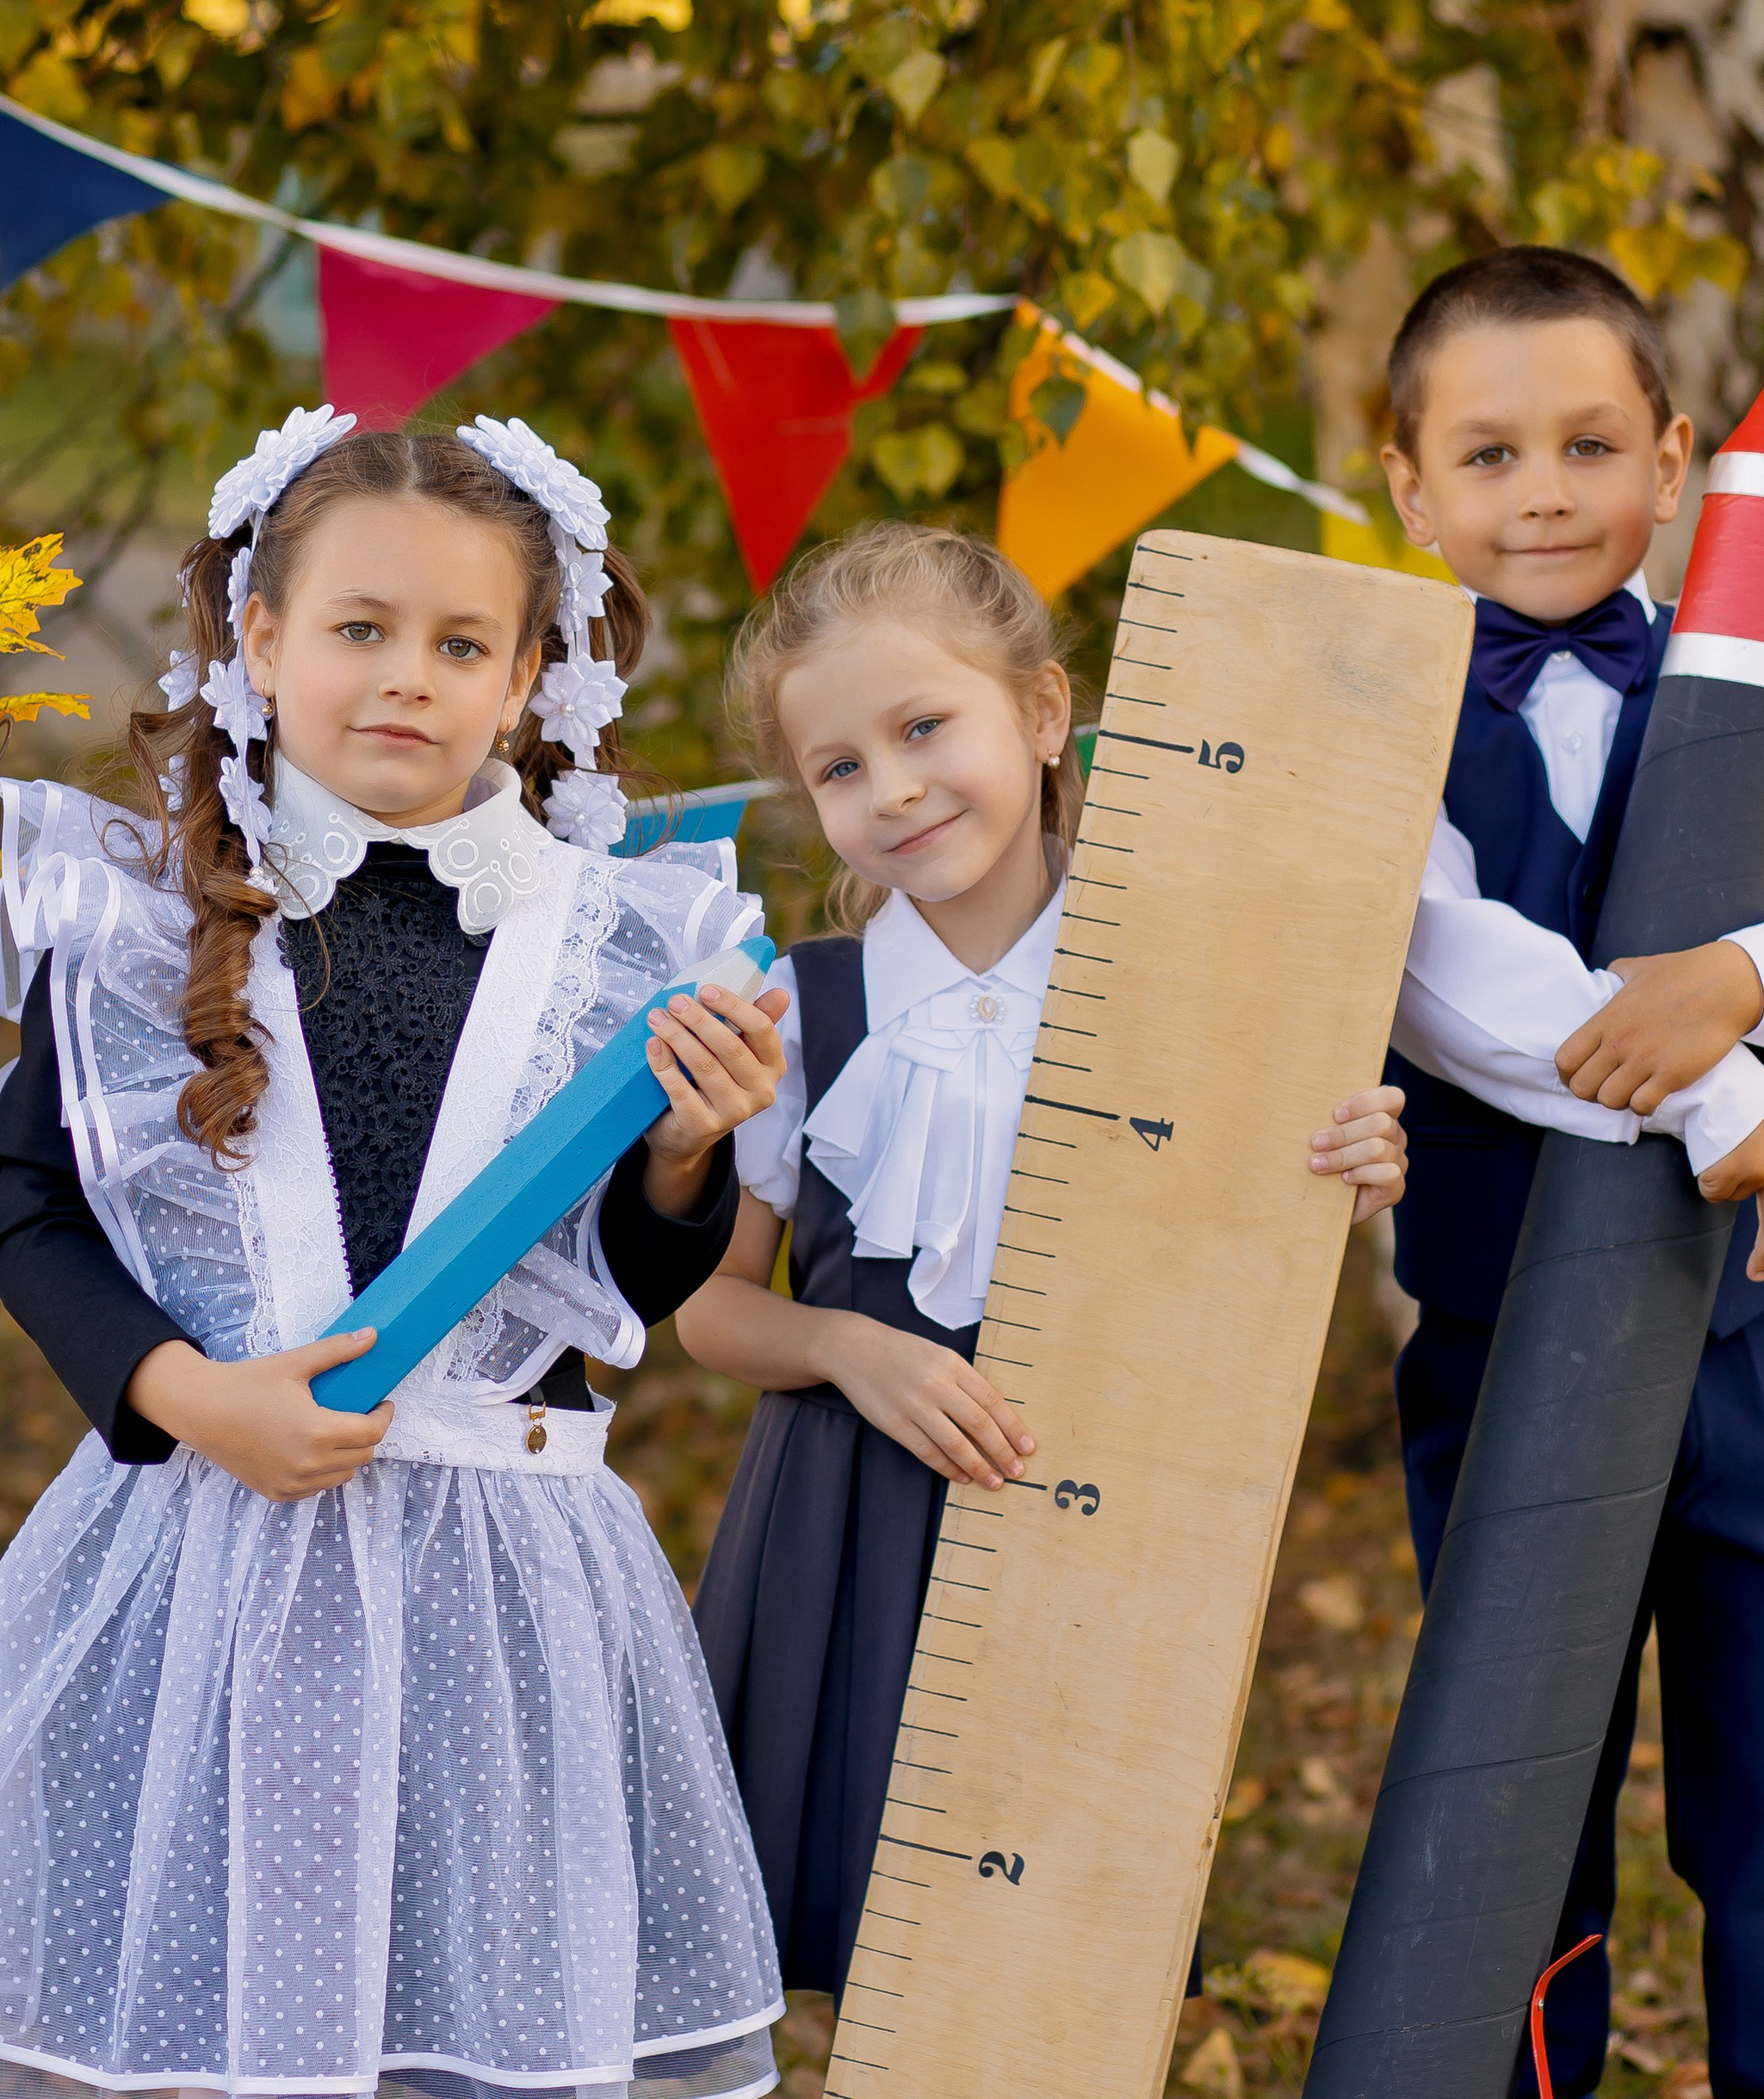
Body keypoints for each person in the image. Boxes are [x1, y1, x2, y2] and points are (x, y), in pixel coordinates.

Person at [0, 412, 795, 2099]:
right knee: (206, 2012)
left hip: (497, 1581)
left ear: (526, 677)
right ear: (262, 639)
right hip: (201, 1552)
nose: (406, 677)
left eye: (461, 645)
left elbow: (631, 1283)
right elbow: (39, 1211)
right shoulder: (134, 908)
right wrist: (191, 1397)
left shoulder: (616, 939)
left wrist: (682, 1154)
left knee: (469, 2003)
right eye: (360, 627)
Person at [674, 523, 1409, 2000]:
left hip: (1100, 1495)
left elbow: (1232, 1256)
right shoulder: (795, 1008)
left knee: (1054, 1939)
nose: (893, 789)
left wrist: (1345, 1177)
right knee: (858, 1911)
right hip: (848, 1507)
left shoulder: (1183, 983)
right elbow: (711, 1308)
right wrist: (843, 1346)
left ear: (1046, 713)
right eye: (840, 767)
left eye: (924, 728)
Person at [1376, 246, 1764, 2099]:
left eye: (1589, 445)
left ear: (1672, 462)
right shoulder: (1373, 722)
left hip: (1747, 1341)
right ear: (1407, 486)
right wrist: (1709, 1089)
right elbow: (1448, 979)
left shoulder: (1746, 687)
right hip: (1498, 1334)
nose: (1540, 493)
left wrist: (1742, 971)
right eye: (1487, 454)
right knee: (1514, 1808)